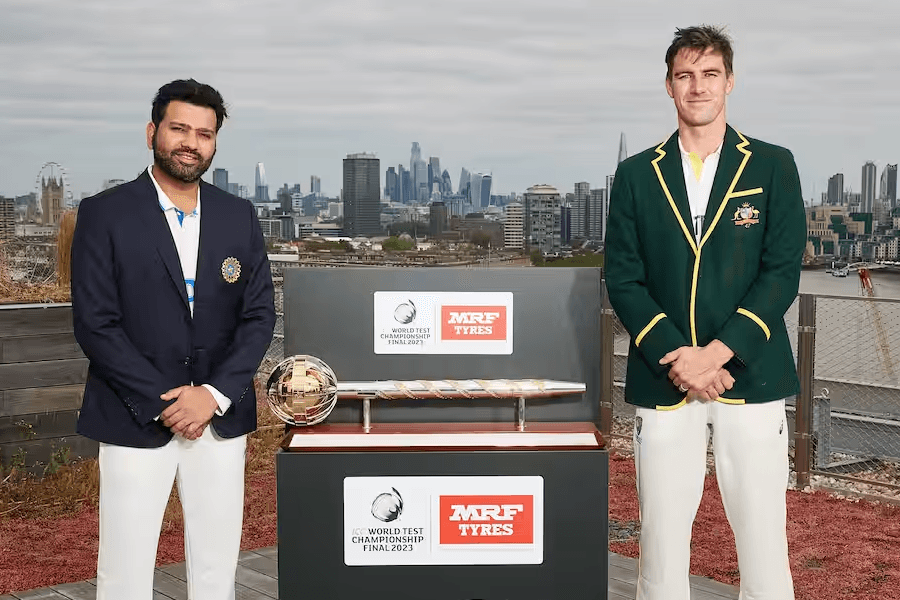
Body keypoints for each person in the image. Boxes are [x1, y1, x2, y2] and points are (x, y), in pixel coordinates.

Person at [605, 25, 805, 600]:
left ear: (730, 82)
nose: (698, 87)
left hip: (751, 375)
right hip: (665, 378)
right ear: (669, 85)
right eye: (685, 75)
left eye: (710, 74)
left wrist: (715, 355)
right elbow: (624, 278)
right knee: (661, 544)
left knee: (764, 540)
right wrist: (680, 359)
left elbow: (781, 273)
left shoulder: (772, 165)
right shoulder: (637, 174)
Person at [71, 79, 276, 600]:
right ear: (152, 132)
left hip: (219, 418)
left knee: (216, 570)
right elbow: (96, 323)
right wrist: (165, 401)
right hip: (135, 415)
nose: (191, 143)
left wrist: (212, 395)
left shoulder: (238, 215)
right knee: (124, 572)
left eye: (204, 134)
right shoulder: (104, 213)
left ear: (215, 143)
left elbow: (259, 316)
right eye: (179, 129)